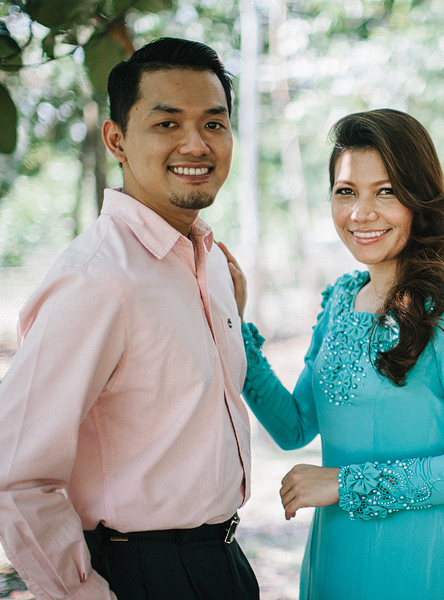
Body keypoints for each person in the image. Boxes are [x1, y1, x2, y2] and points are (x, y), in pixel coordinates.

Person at [0, 38, 259, 600]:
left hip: (224, 563)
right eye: (167, 124)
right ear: (116, 139)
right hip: (140, 572)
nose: (197, 144)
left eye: (214, 124)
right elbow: (14, 471)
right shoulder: (97, 279)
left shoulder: (212, 262)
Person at [222, 108, 444, 599]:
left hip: (414, 565)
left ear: (419, 198)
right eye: (346, 192)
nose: (361, 213)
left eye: (386, 191)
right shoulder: (340, 300)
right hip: (332, 560)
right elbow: (294, 428)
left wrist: (345, 485)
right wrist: (235, 325)